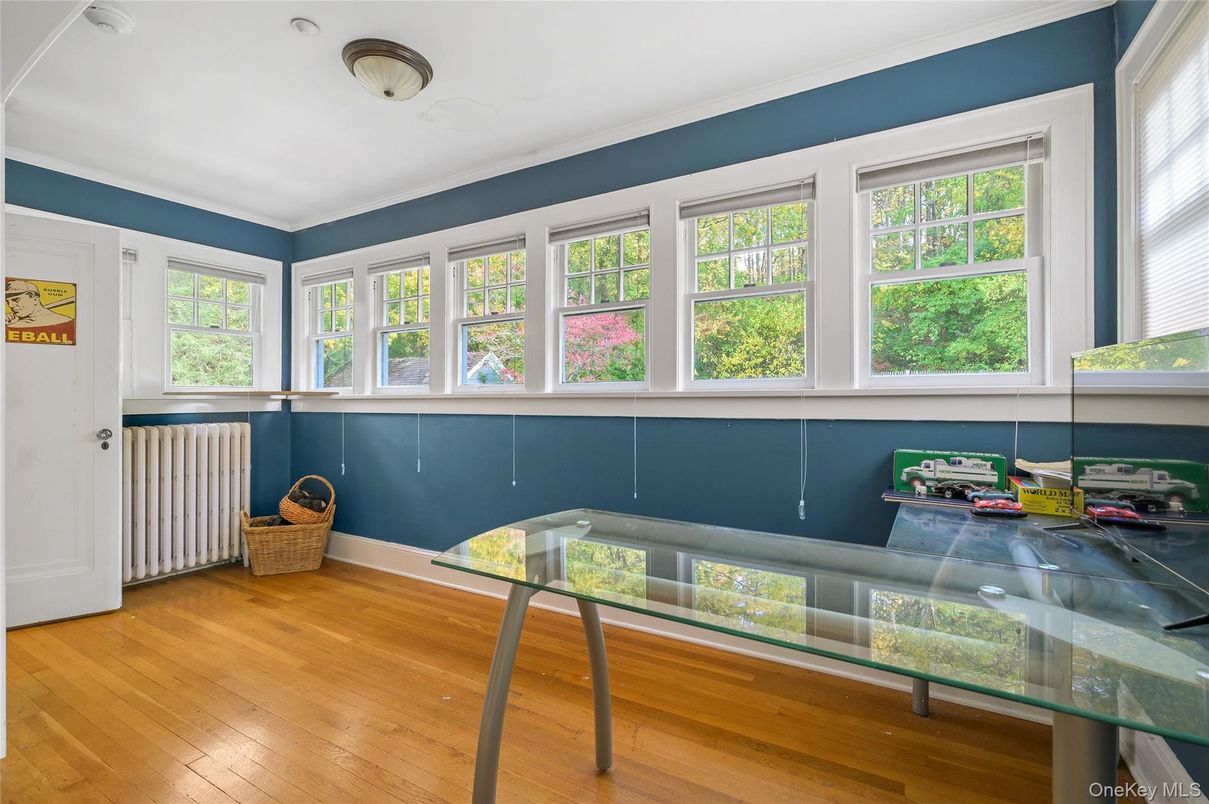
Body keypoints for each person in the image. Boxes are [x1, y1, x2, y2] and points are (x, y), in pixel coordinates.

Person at [5, 279, 71, 327]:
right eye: (7, 301)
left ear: (35, 299)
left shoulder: (18, 325)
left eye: (16, 300)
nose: (10, 305)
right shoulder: (67, 320)